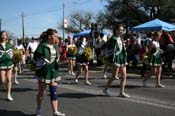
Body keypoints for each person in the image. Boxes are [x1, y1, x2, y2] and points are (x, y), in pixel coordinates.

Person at [33, 28, 65, 116]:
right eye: (55, 36)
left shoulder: (55, 46)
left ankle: (55, 111)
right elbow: (35, 59)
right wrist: (41, 63)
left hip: (53, 71)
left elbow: (57, 58)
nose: (56, 38)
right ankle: (39, 108)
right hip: (43, 72)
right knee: (42, 92)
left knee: (53, 91)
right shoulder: (42, 46)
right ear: (49, 36)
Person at [102, 24, 130, 98]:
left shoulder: (121, 38)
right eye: (120, 29)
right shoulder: (113, 39)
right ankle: (105, 89)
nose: (121, 31)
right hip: (116, 58)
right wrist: (109, 57)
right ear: (116, 30)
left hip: (122, 58)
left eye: (122, 29)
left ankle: (121, 92)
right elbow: (106, 47)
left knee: (124, 75)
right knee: (114, 76)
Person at [0, 31, 14, 101]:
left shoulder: (9, 45)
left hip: (9, 64)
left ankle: (8, 94)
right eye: (2, 35)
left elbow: (12, 53)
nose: (3, 36)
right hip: (1, 64)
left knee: (9, 79)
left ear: (6, 36)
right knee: (2, 80)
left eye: (5, 35)